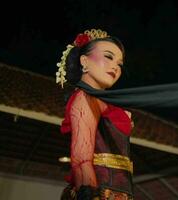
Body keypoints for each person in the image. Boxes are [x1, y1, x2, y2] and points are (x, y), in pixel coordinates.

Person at [57, 29, 134, 200]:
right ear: (84, 60)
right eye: (108, 56)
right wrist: (90, 195)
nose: (115, 66)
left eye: (120, 64)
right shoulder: (84, 98)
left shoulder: (103, 102)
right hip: (98, 192)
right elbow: (81, 159)